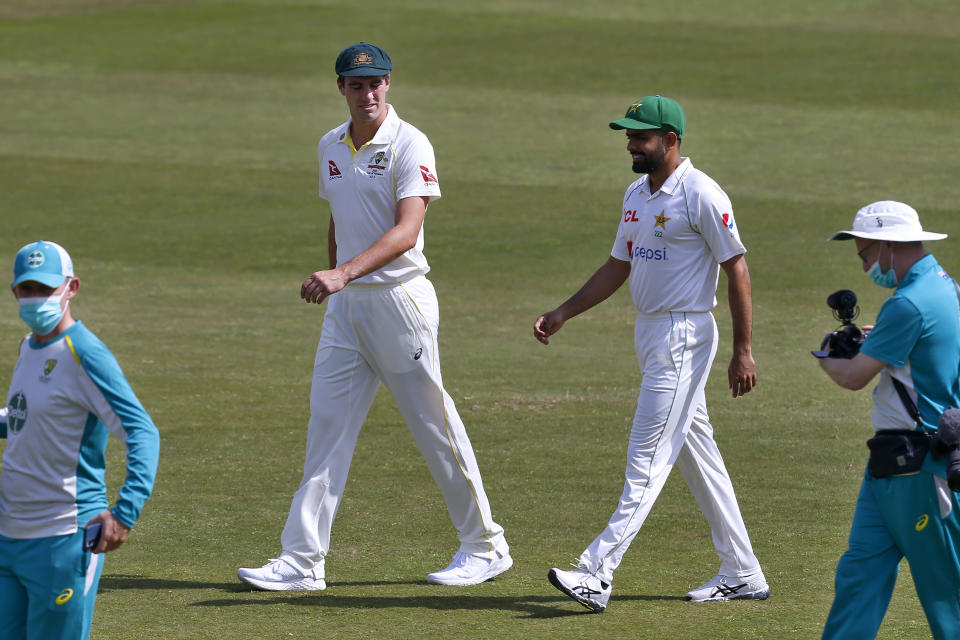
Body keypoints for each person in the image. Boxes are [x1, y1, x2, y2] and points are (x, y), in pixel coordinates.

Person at [237, 42, 511, 591]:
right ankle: (302, 560)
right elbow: (340, 219)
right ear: (340, 88)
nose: (368, 93)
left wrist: (343, 273)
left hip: (399, 302)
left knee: (434, 426)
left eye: (376, 83)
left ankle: (485, 547)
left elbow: (408, 230)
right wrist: (338, 278)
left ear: (389, 85)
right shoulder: (329, 146)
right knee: (327, 429)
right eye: (357, 85)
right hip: (347, 311)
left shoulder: (411, 143)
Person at [534, 95, 768, 612]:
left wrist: (743, 350)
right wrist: (564, 312)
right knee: (695, 454)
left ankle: (596, 573)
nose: (631, 145)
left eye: (640, 137)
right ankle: (743, 571)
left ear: (671, 140)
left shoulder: (702, 194)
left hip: (685, 335)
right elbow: (619, 265)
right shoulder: (636, 193)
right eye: (629, 136)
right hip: (651, 335)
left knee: (647, 459)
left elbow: (738, 269)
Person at [0, 240, 160, 640]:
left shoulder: (84, 353)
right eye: (28, 289)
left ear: (71, 288)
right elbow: (25, 418)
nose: (35, 299)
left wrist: (124, 513)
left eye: (45, 289)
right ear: (15, 291)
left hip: (62, 541)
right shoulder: (28, 347)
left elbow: (142, 431)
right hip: (8, 537)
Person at [817, 201, 960, 640]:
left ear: (889, 246)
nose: (865, 268)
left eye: (865, 255)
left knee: (946, 595)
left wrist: (826, 355)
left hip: (920, 469)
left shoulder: (910, 304)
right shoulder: (945, 287)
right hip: (890, 465)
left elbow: (855, 378)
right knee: (859, 572)